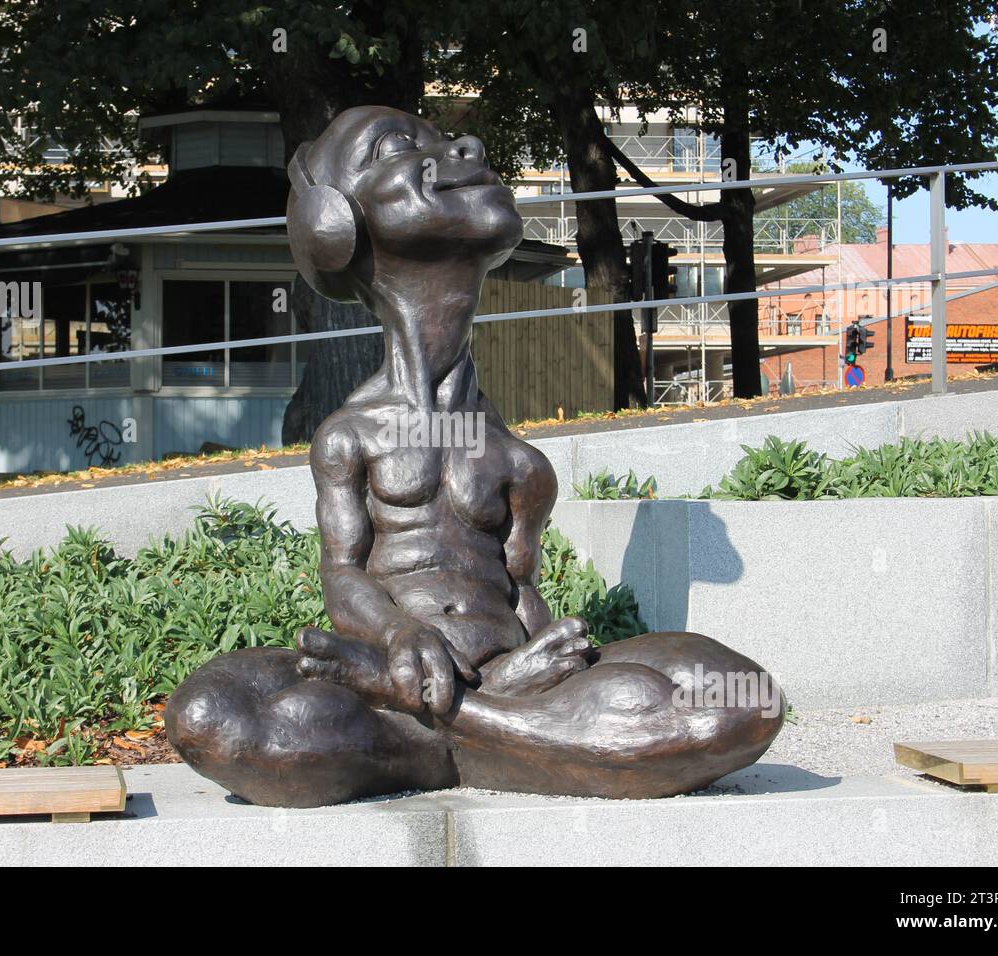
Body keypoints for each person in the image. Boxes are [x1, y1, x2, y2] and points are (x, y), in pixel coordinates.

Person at [167, 106, 783, 807]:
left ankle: (455, 730)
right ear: (330, 221)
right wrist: (399, 636)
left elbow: (523, 591)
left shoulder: (518, 462)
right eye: (396, 148)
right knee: (215, 715)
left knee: (743, 700)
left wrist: (541, 661)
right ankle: (510, 740)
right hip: (391, 671)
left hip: (474, 680)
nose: (463, 147)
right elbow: (342, 576)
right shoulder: (350, 436)